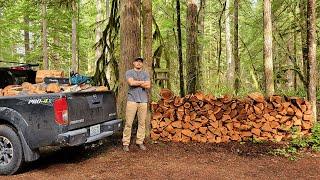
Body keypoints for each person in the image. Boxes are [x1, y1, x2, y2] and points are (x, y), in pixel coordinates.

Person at [122, 57, 151, 152]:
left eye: (140, 62)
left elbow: (148, 85)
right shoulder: (129, 72)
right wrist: (143, 82)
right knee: (128, 123)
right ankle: (126, 143)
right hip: (132, 100)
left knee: (142, 123)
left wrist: (136, 82)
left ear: (142, 64)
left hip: (143, 101)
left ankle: (140, 142)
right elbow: (131, 83)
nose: (138, 63)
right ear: (133, 63)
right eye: (137, 61)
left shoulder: (145, 73)